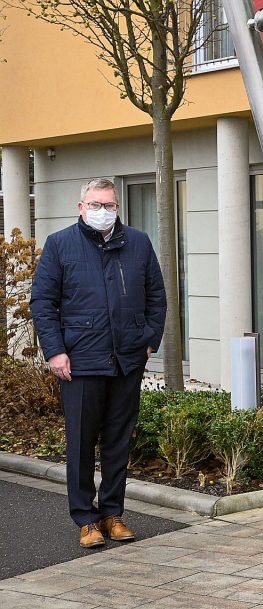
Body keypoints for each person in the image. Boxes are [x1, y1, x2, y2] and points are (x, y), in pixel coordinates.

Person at [30, 178, 167, 549]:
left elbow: (156, 293)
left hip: (127, 360)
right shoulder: (60, 245)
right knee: (81, 441)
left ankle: (112, 514)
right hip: (80, 360)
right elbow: (43, 302)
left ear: (117, 207)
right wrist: (55, 351)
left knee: (118, 441)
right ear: (81, 207)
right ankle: (86, 520)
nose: (101, 211)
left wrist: (150, 338)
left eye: (108, 205)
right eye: (95, 204)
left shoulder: (137, 242)